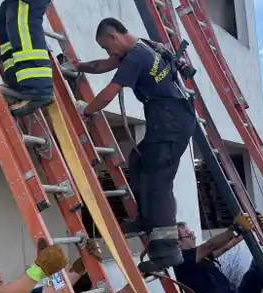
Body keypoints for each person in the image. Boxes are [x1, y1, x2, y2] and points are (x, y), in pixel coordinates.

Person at [74, 18, 196, 273]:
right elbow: (102, 65)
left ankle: (167, 251)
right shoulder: (143, 47)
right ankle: (144, 219)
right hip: (168, 120)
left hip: (171, 123)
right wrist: (78, 66)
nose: (109, 53)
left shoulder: (136, 57)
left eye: (107, 47)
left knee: (159, 182)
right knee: (139, 161)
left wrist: (85, 112)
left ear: (114, 36)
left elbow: (109, 93)